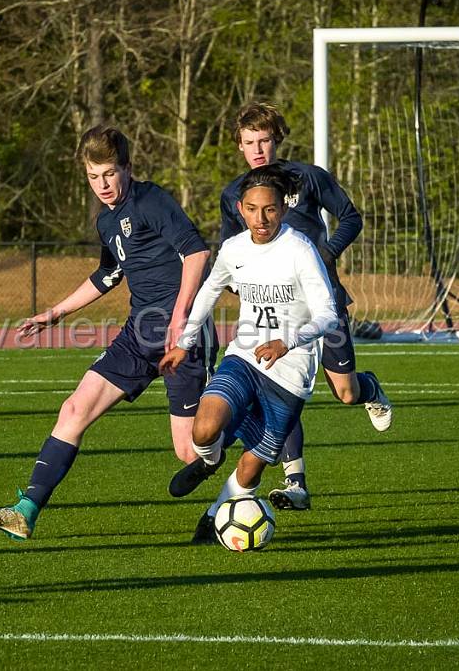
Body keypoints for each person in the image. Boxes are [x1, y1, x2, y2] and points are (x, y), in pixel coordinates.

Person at [0, 125, 215, 540]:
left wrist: (180, 317)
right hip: (138, 335)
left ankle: (258, 432)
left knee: (190, 451)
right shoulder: (107, 221)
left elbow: (197, 252)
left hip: (183, 334)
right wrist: (56, 312)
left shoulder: (151, 200)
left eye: (108, 174)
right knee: (73, 409)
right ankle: (26, 511)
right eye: (92, 176)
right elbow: (108, 275)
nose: (101, 185)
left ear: (127, 169)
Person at [168, 102, 393, 511]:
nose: (258, 149)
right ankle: (294, 480)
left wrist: (327, 254)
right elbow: (229, 255)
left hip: (323, 304)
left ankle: (371, 387)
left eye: (265, 140)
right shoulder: (234, 194)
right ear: (239, 146)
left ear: (277, 140)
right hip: (270, 312)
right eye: (249, 142)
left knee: (344, 392)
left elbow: (350, 217)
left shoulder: (306, 178)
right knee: (280, 375)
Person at [160, 164, 338, 544]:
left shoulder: (300, 250)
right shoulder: (233, 248)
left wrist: (287, 341)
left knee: (250, 470)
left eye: (270, 209)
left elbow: (328, 313)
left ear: (283, 210)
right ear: (241, 209)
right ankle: (209, 461)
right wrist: (184, 343)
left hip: (290, 374)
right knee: (204, 428)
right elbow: (209, 290)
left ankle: (213, 516)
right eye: (254, 209)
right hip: (244, 357)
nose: (262, 218)